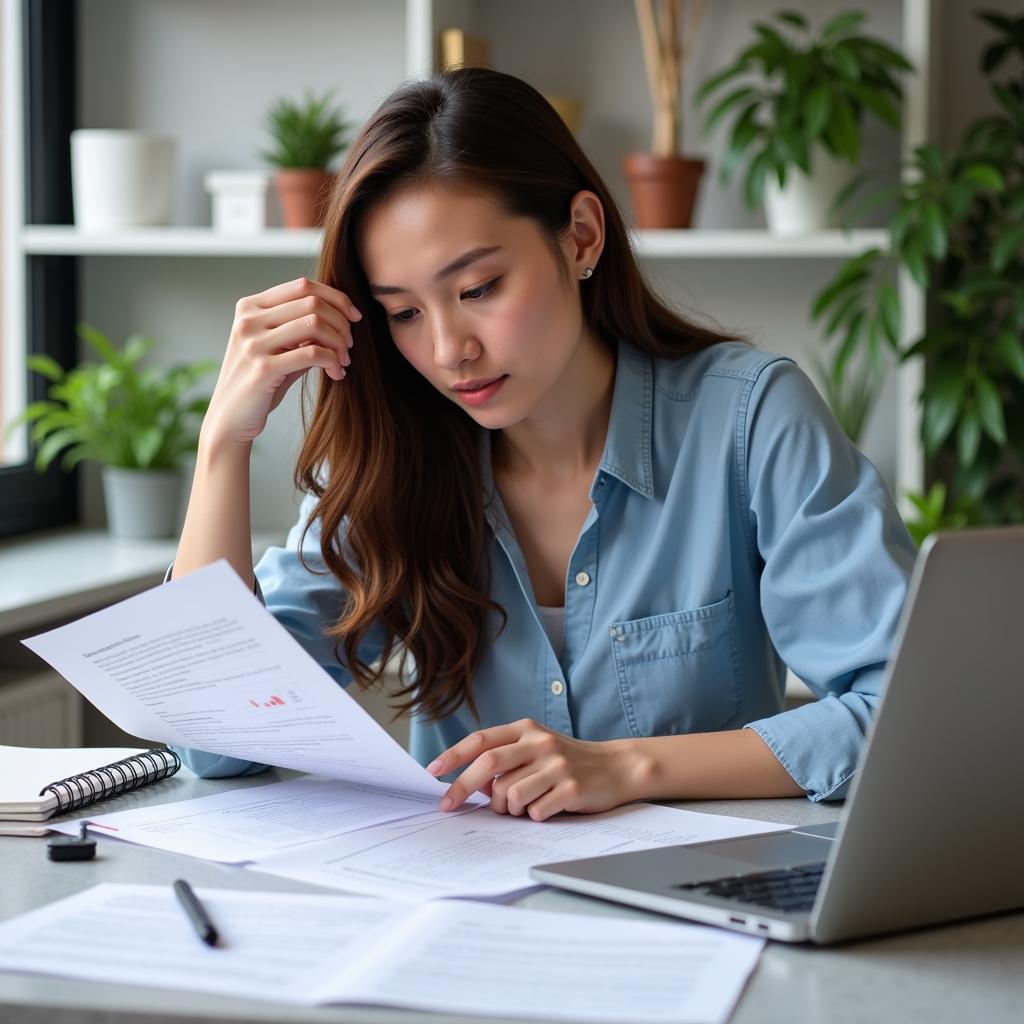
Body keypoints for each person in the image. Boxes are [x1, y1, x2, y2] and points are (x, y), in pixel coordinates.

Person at [170, 67, 916, 820]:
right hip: (470, 910)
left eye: (479, 289)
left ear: (582, 236)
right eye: (402, 313)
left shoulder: (751, 421)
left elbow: (901, 717)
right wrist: (222, 447)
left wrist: (628, 767)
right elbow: (217, 737)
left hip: (698, 907)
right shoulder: (389, 459)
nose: (448, 349)